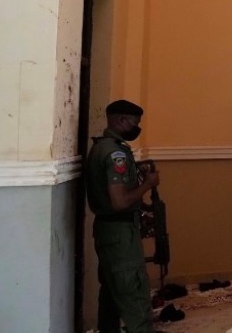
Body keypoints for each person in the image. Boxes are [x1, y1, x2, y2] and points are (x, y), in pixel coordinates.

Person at [86, 99, 160, 333]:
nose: (136, 128)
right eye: (134, 123)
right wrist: (147, 185)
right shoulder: (115, 153)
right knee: (133, 291)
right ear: (120, 120)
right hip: (120, 234)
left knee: (111, 292)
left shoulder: (103, 146)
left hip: (109, 232)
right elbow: (119, 202)